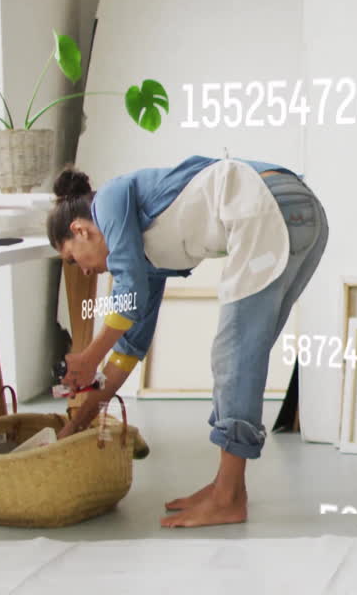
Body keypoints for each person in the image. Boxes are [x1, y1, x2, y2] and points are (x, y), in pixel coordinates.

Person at [47, 155, 328, 527]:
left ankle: (228, 498)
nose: (83, 270)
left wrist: (87, 357)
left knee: (234, 355)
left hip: (269, 206)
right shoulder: (144, 255)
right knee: (244, 352)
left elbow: (127, 293)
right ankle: (226, 488)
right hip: (299, 212)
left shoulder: (109, 199)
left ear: (80, 229)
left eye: (72, 258)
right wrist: (76, 426)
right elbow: (129, 347)